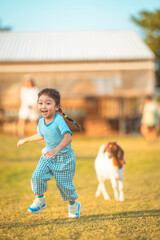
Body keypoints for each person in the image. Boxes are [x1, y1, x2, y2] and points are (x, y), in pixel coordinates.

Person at [17, 88, 81, 218]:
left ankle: (73, 204)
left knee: (65, 187)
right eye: (40, 103)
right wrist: (26, 139)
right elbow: (41, 135)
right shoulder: (41, 122)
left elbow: (68, 137)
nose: (43, 106)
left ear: (57, 107)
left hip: (64, 159)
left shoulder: (59, 120)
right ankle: (40, 200)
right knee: (37, 176)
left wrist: (56, 149)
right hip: (48, 156)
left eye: (48, 103)